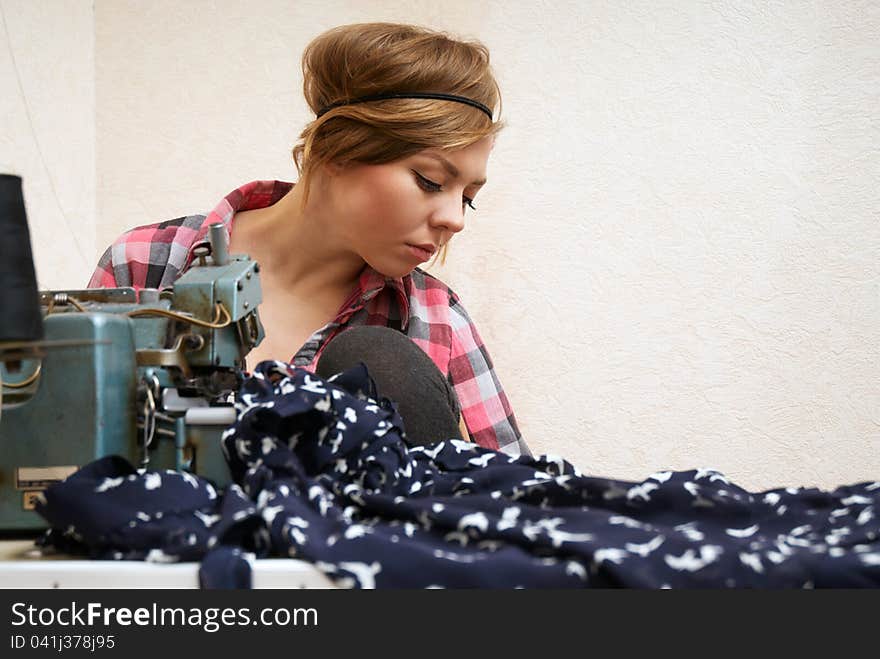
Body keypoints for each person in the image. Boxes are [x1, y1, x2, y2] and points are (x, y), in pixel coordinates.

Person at [89, 22, 529, 458]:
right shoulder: (146, 264)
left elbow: (520, 504)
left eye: (468, 199)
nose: (455, 220)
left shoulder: (436, 321)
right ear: (336, 149)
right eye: (431, 181)